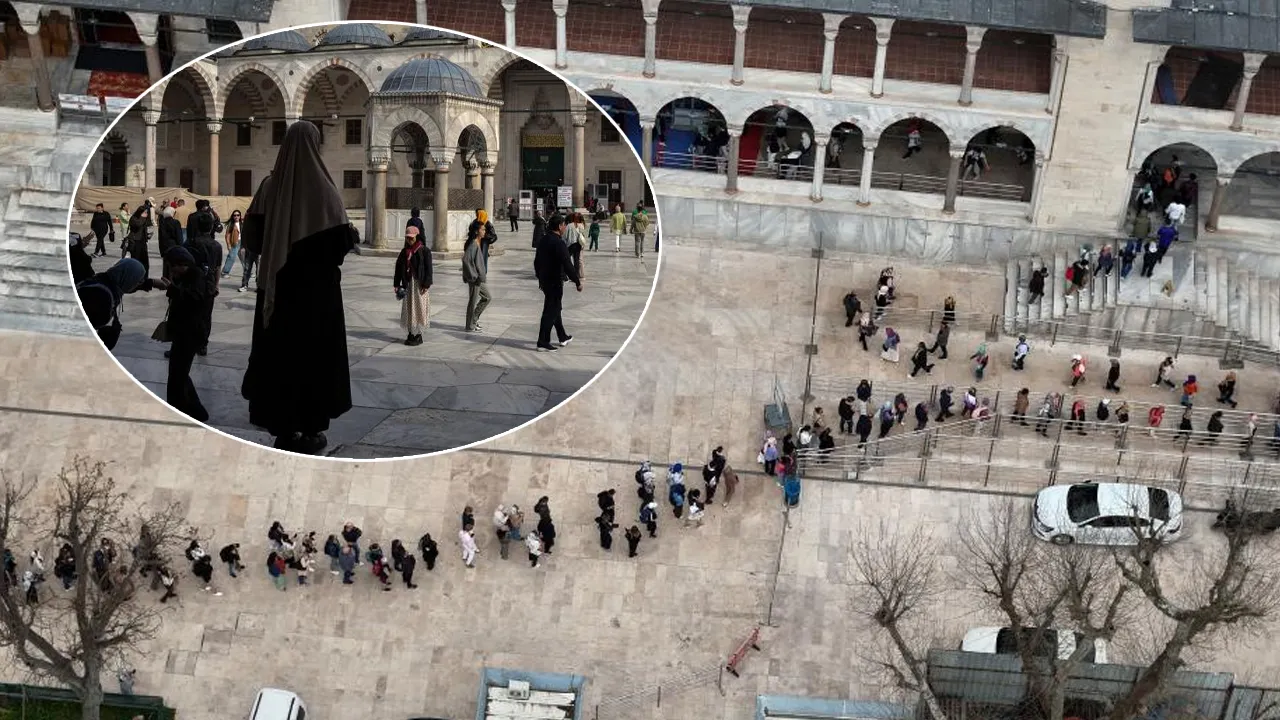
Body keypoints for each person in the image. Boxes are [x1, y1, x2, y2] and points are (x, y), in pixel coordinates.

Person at [240, 122, 358, 455]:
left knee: (280, 358)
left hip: (277, 292)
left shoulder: (268, 188)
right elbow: (339, 247)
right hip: (316, 298)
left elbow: (252, 241)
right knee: (313, 360)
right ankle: (311, 429)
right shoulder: (325, 191)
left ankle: (282, 427)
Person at [160, 247, 210, 423]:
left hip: (191, 334)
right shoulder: (187, 276)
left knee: (178, 374)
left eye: (174, 266)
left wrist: (173, 289)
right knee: (178, 372)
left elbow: (194, 300)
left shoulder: (196, 277)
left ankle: (187, 410)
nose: (172, 270)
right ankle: (195, 410)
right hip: (184, 332)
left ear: (183, 264)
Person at [533, 214, 582, 352]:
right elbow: (567, 264)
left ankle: (562, 336)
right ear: (560, 226)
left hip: (545, 281)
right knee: (551, 311)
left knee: (555, 308)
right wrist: (577, 282)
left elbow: (536, 261)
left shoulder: (543, 240)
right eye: (564, 225)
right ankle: (542, 341)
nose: (565, 227)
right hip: (554, 281)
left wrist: (540, 277)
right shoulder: (558, 243)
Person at [393, 226, 432, 346]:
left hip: (419, 285)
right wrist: (396, 284)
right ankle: (411, 333)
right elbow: (398, 268)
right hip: (408, 285)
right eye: (408, 238)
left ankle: (418, 334)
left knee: (419, 308)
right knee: (409, 309)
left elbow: (428, 269)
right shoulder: (404, 252)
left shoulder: (424, 251)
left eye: (411, 238)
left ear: (417, 237)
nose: (409, 240)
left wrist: (426, 284)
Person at [222, 209, 243, 278]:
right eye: (235, 215)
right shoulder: (231, 224)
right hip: (235, 243)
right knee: (231, 257)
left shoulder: (242, 223)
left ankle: (248, 272)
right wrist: (228, 245)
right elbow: (227, 235)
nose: (236, 216)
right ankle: (225, 272)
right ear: (233, 216)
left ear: (240, 216)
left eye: (238, 215)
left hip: (242, 243)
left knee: (244, 258)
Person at [566, 213, 586, 279]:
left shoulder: (569, 225)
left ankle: (566, 273)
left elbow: (565, 236)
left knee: (567, 258)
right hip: (578, 244)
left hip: (571, 244)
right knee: (576, 260)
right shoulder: (581, 225)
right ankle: (576, 274)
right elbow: (583, 235)